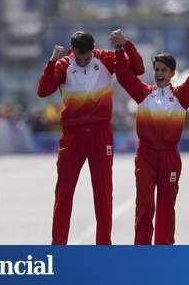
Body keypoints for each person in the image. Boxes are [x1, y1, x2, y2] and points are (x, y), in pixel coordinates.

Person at [37, 29, 144, 245]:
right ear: (73, 50)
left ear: (93, 49)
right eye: (80, 58)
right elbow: (43, 90)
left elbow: (138, 69)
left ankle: (103, 246)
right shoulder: (62, 65)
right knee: (64, 192)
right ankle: (58, 246)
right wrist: (51, 62)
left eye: (87, 57)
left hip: (100, 133)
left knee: (103, 192)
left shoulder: (106, 58)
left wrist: (126, 44)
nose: (84, 62)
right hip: (73, 135)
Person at [114, 37, 189, 245]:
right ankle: (142, 249)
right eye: (156, 69)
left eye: (164, 70)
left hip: (169, 157)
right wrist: (121, 48)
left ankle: (164, 250)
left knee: (167, 206)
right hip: (146, 156)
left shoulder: (182, 96)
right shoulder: (143, 94)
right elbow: (123, 75)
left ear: (172, 74)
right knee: (145, 204)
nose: (159, 74)